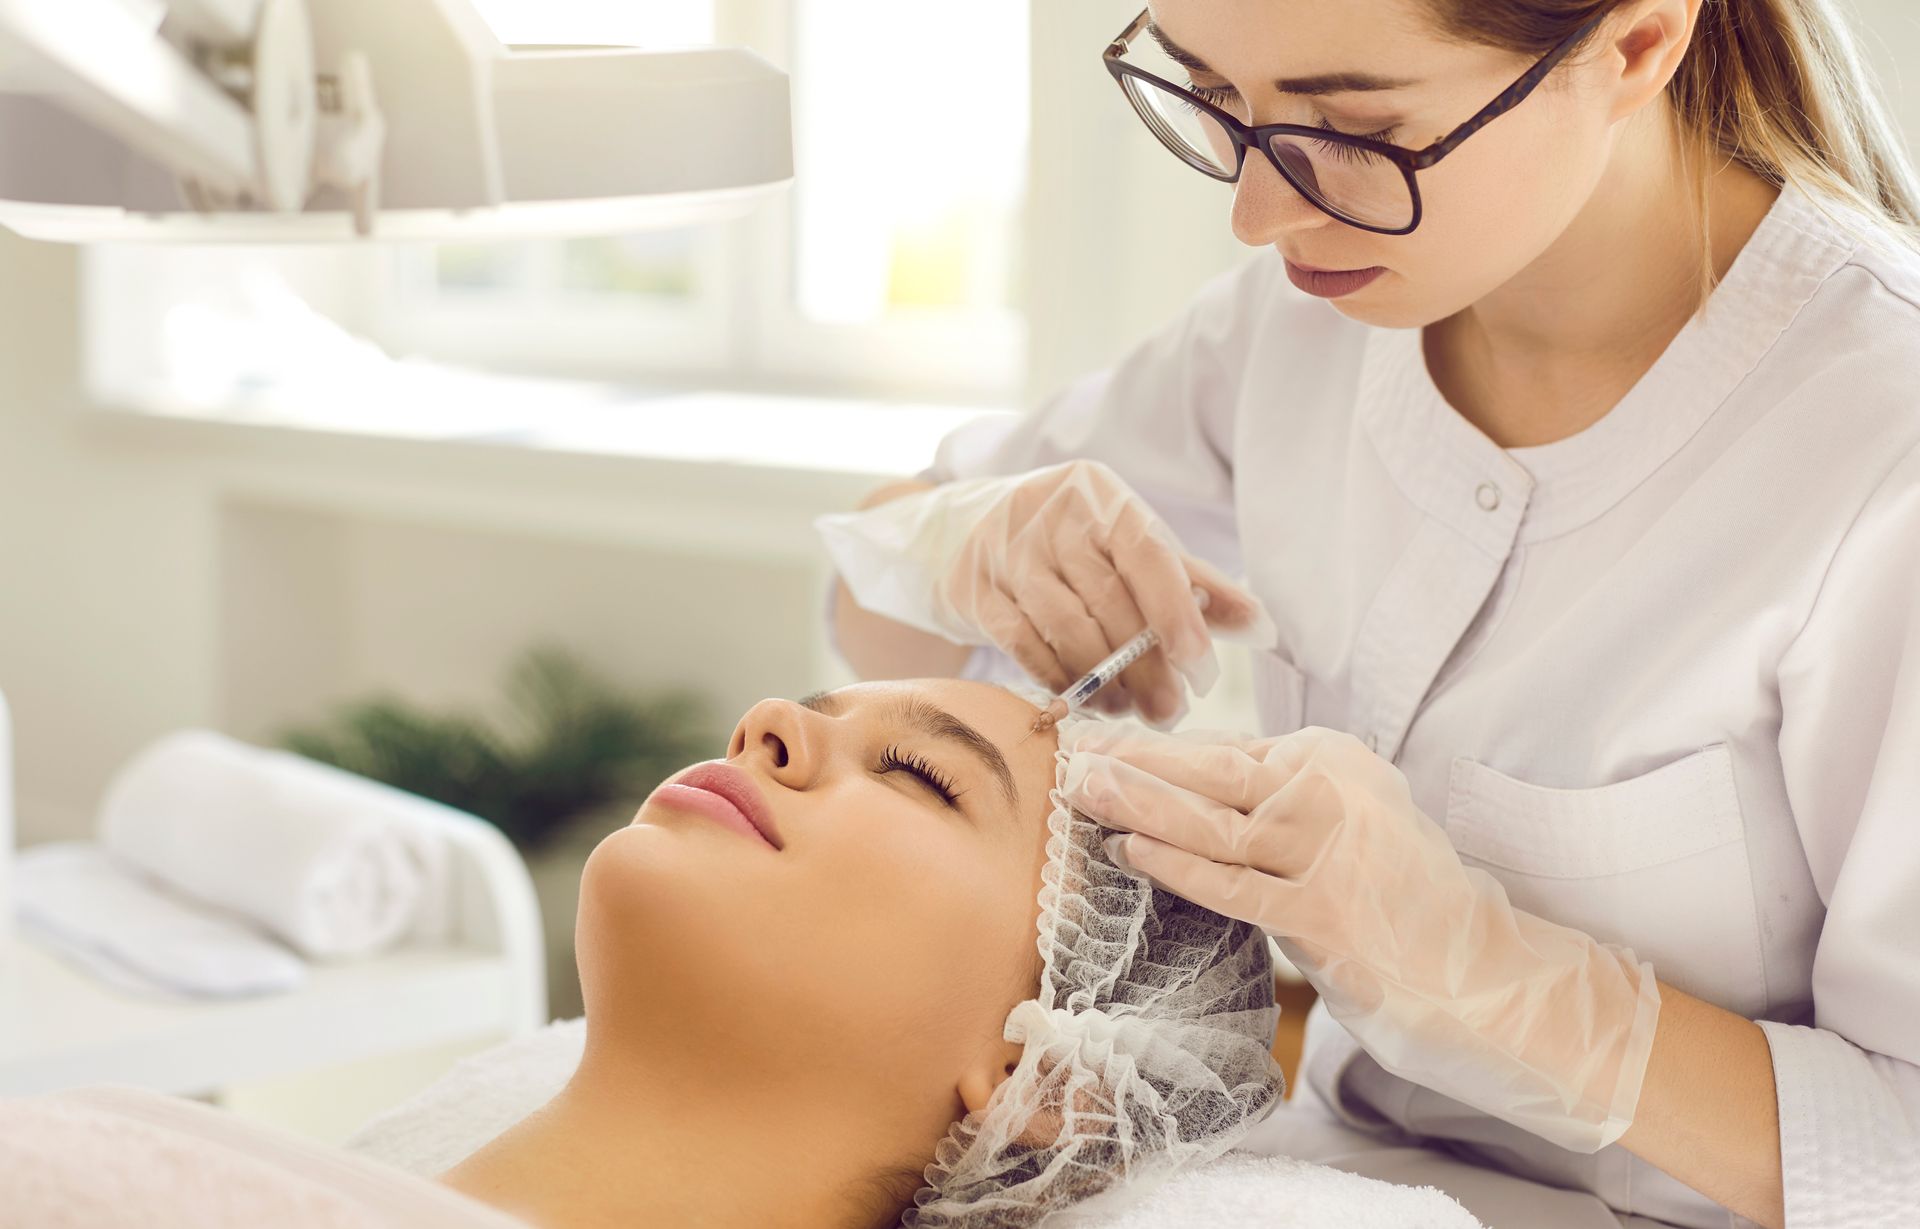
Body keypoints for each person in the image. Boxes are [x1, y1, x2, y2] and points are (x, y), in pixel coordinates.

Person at [821, 2, 1920, 1226]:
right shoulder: (1296, 326)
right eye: (1215, 99)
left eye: (1354, 128)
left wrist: (1508, 986)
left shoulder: (1884, 452)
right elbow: (865, 617)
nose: (1256, 211)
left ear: (1638, 45)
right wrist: (962, 543)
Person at [0, 680, 1283, 1229]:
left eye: (918, 773)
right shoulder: (140, 1153)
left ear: (1050, 1082)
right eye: (806, 705)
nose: (766, 719)